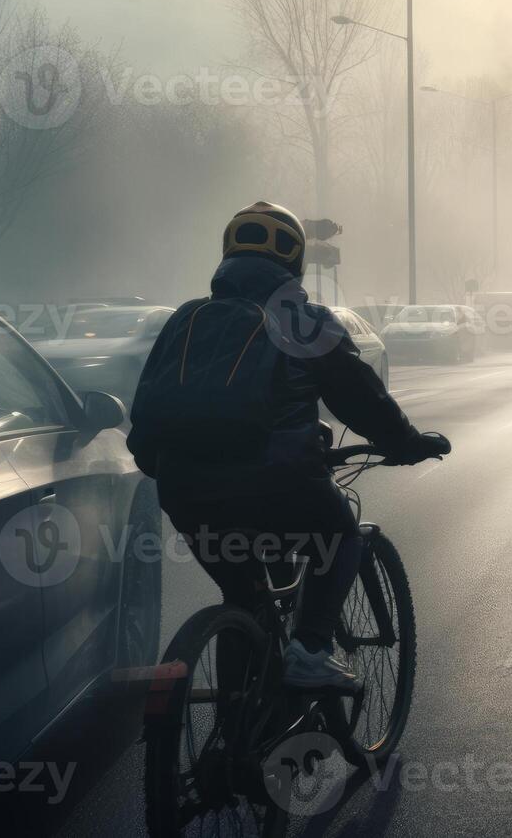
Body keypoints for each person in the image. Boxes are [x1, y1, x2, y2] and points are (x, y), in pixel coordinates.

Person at [127, 201, 449, 689]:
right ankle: (312, 648)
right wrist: (404, 442)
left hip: (185, 493)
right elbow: (360, 397)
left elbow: (149, 405)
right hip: (282, 484)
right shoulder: (304, 320)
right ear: (295, 263)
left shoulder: (185, 319)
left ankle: (233, 739)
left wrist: (173, 468)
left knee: (243, 600)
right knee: (341, 535)